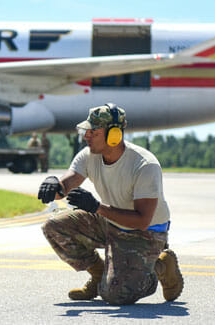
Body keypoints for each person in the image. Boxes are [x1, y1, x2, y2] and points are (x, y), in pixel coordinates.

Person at [38, 103, 183, 305]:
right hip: (110, 221)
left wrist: (96, 207)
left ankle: (159, 266)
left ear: (114, 135)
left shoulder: (144, 165)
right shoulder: (89, 155)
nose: (86, 136)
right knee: (53, 227)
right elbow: (66, 184)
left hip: (145, 233)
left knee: (115, 295)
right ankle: (99, 276)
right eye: (86, 131)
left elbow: (142, 221)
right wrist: (54, 185)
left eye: (93, 131)